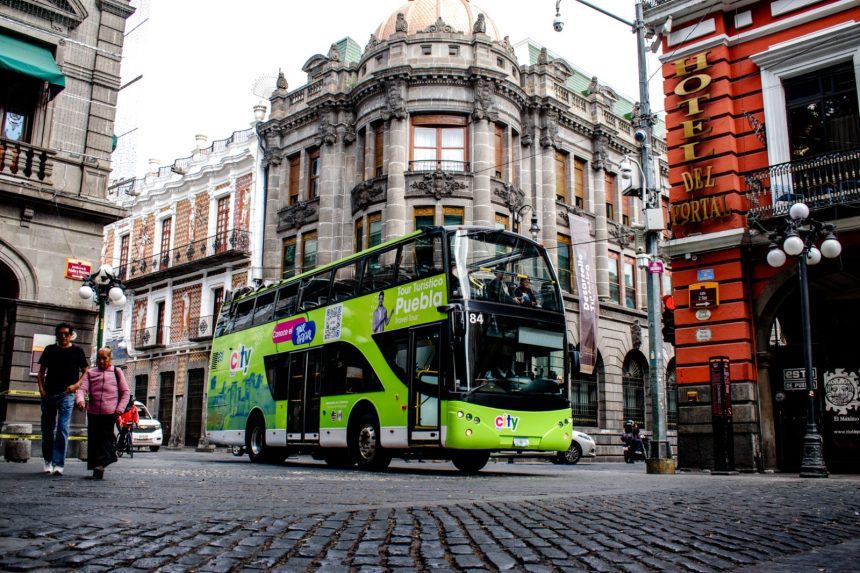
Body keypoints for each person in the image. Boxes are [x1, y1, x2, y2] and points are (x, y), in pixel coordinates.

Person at [37, 322, 89, 476]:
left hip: (67, 395)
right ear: (57, 335)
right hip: (48, 394)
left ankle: (58, 464)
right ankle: (48, 460)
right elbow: (41, 372)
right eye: (60, 334)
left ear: (71, 335)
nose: (63, 336)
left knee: (62, 429)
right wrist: (41, 389)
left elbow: (86, 371)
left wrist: (76, 385)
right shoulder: (49, 349)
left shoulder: (77, 351)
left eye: (66, 333)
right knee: (47, 430)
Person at [75, 348, 130, 479]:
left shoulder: (117, 372)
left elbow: (125, 392)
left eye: (104, 358)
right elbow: (82, 390)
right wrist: (80, 401)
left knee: (105, 441)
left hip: (110, 413)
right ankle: (97, 467)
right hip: (93, 412)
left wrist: (120, 409)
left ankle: (100, 465)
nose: (101, 361)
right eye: (99, 358)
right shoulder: (91, 373)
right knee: (94, 441)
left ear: (110, 359)